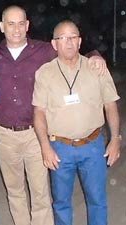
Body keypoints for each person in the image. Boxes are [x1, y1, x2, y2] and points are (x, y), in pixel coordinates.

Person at [0, 5, 108, 225]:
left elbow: (71, 52)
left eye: (21, 23)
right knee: (15, 190)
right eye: (10, 24)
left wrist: (95, 55)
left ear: (27, 25)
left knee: (40, 192)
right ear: (2, 27)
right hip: (3, 134)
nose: (16, 29)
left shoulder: (43, 51)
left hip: (35, 132)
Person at [33, 20, 121, 225]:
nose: (69, 42)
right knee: (61, 202)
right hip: (60, 147)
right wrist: (45, 147)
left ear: (80, 41)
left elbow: (110, 105)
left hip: (93, 146)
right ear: (54, 44)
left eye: (73, 37)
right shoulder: (44, 73)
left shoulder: (96, 67)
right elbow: (39, 113)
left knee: (97, 200)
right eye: (62, 38)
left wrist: (116, 138)